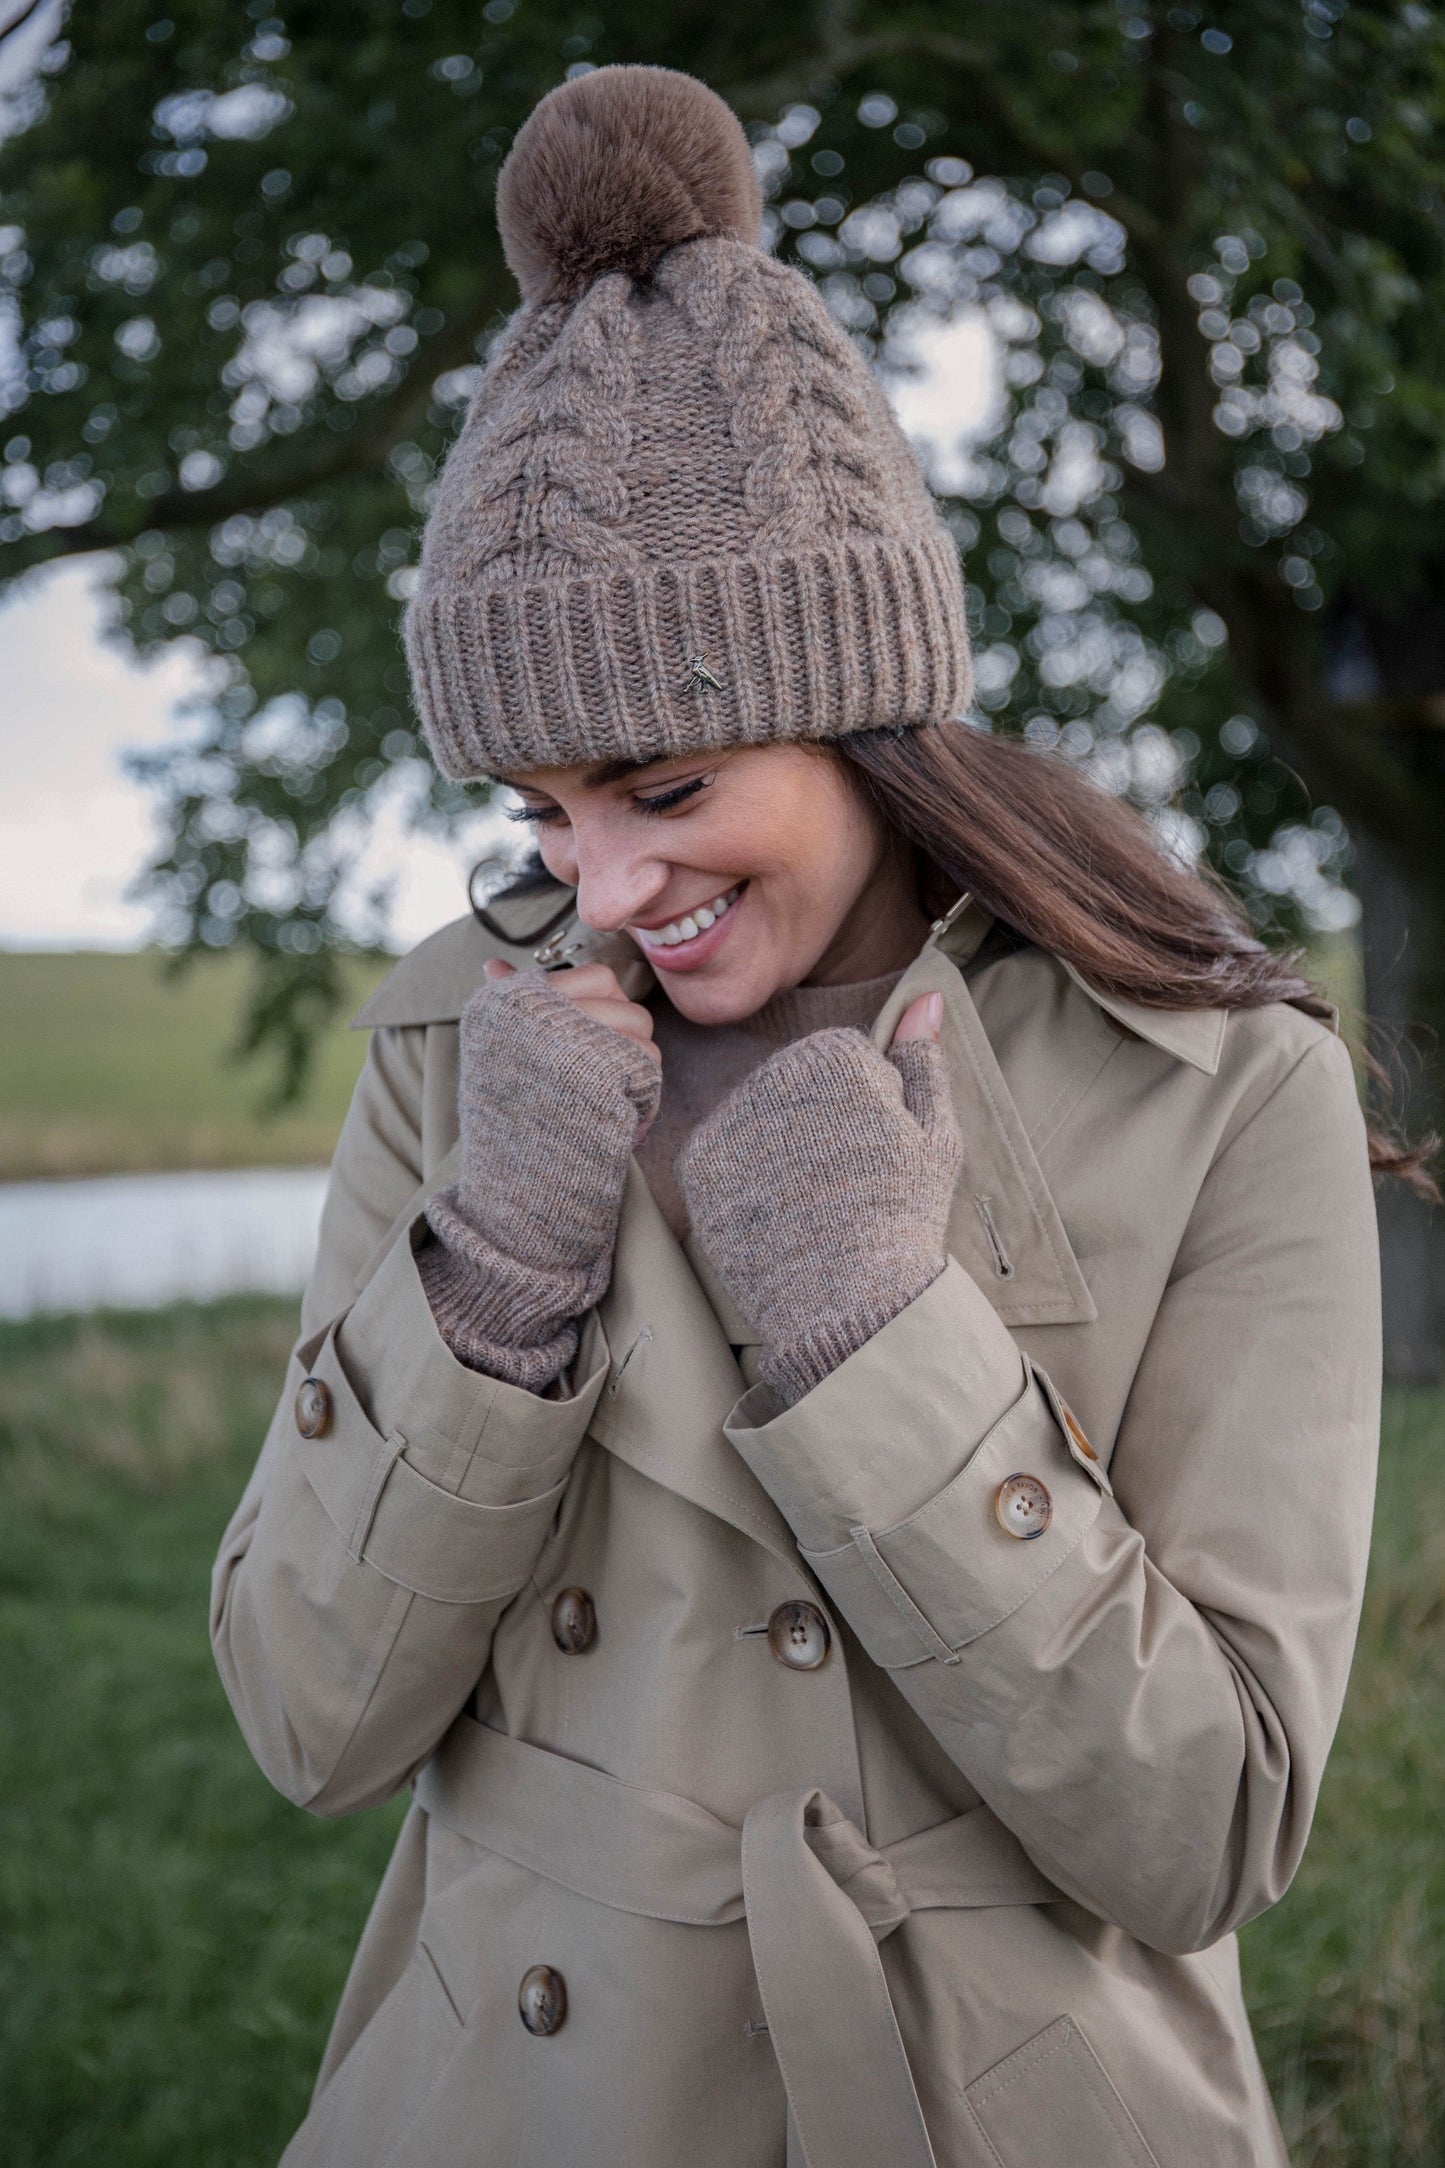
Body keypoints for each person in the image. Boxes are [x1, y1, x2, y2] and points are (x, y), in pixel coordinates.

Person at [212, 64, 1405, 2168]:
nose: (602, 889)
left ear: (871, 720)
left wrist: (871, 1334)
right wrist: (489, 1279)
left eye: (668, 789)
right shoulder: (455, 1046)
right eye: (543, 812)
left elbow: (1211, 1819)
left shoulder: (1223, 1087)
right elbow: (310, 1718)